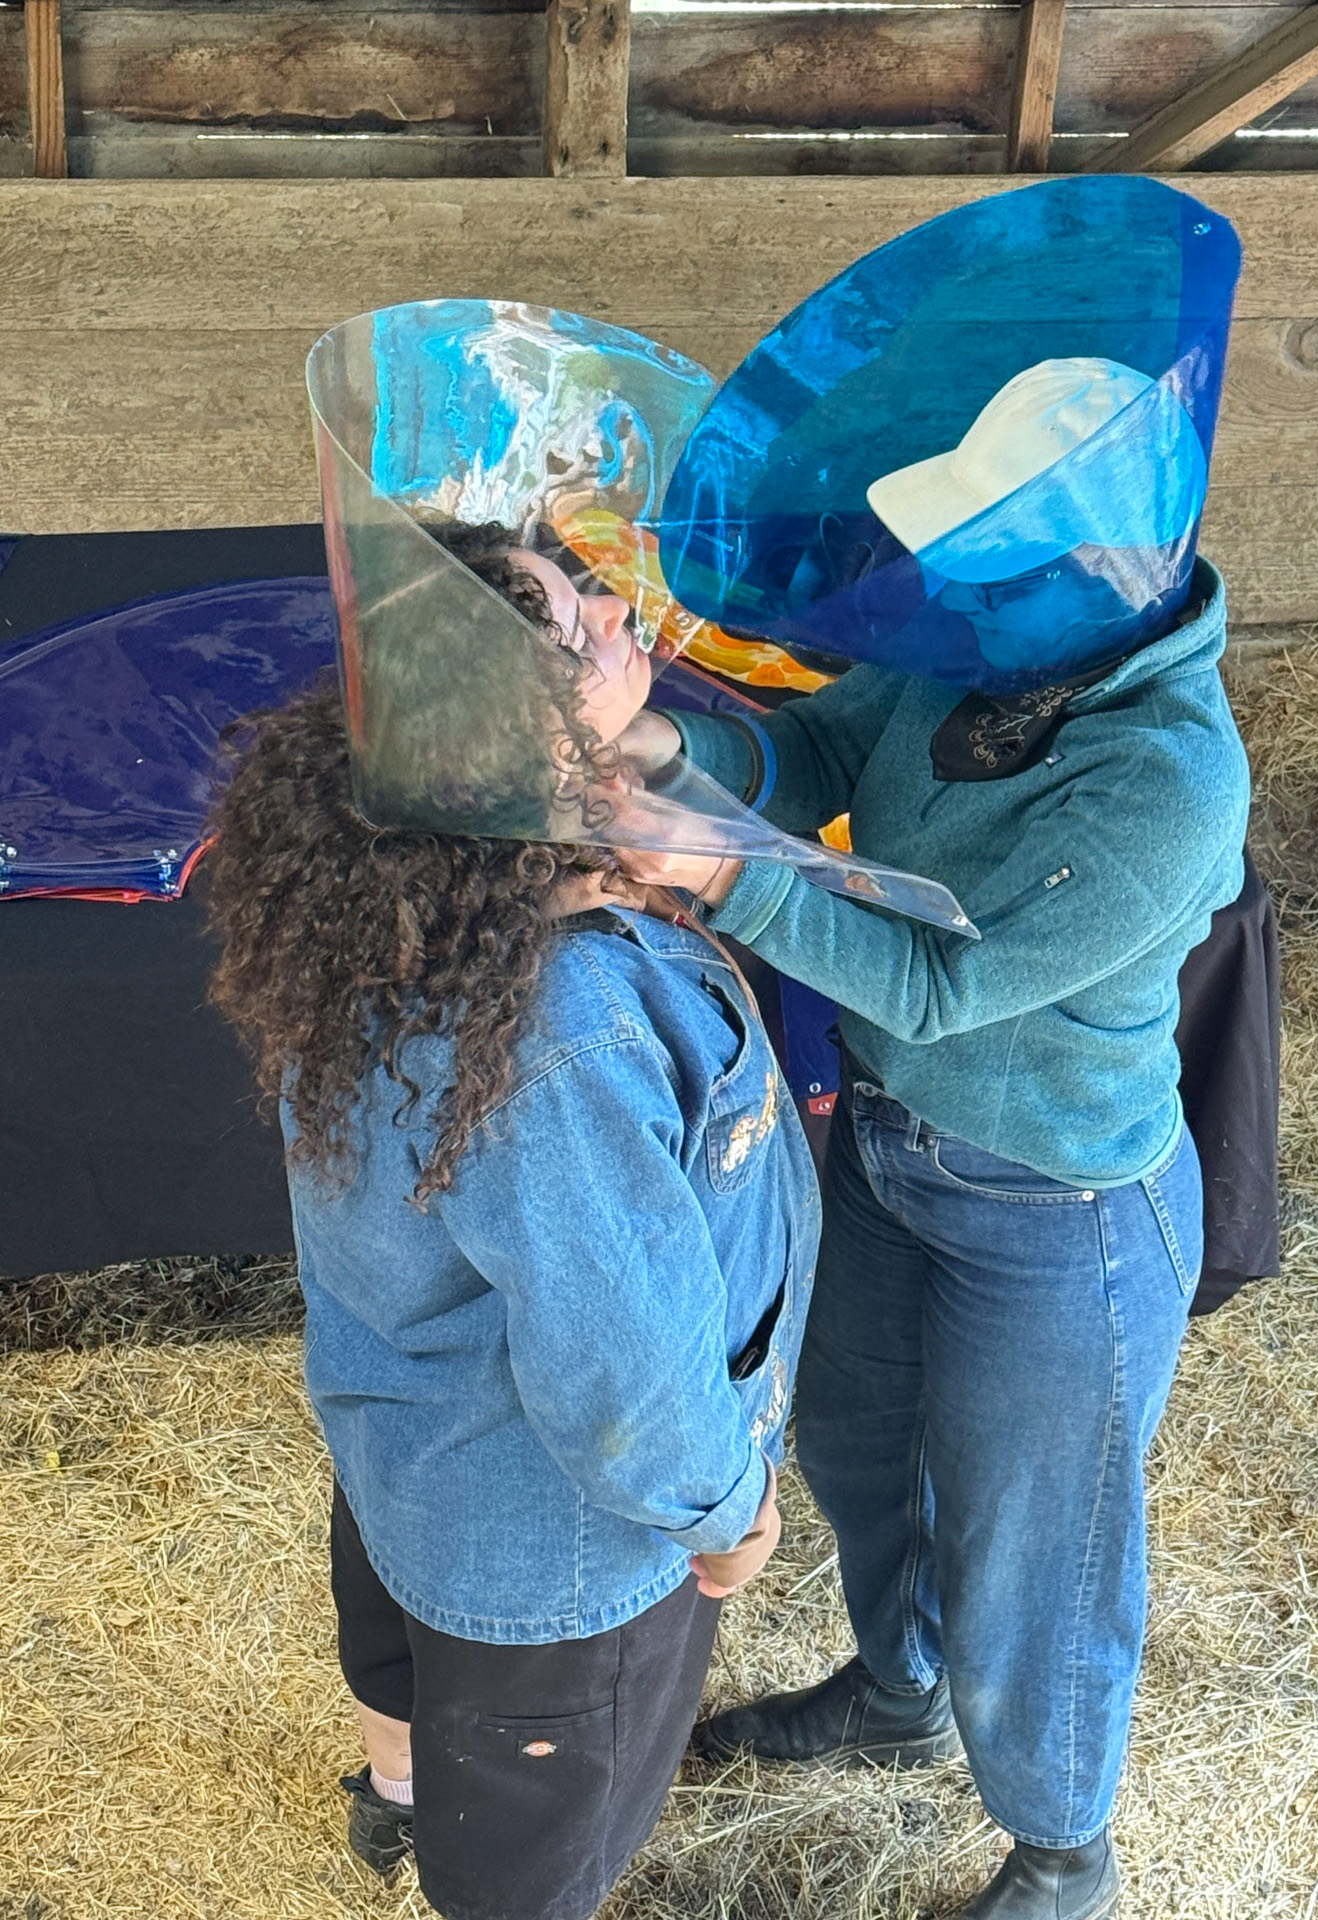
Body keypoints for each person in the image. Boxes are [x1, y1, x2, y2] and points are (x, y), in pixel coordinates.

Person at [617, 313, 1252, 1917]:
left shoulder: (1166, 779)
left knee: (1035, 1545)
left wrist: (721, 872)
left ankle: (1061, 1846)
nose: (954, 583)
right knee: (849, 1440)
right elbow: (825, 736)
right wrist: (673, 748)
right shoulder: (999, 638)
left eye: (995, 552)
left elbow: (941, 984)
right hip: (896, 1156)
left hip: (1058, 1204)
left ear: (1113, 561)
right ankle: (896, 1690)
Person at [204, 523, 820, 1920]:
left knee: (414, 1663)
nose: (610, 614)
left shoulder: (405, 903)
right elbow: (625, 1361)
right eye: (563, 617)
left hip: (413, 1455)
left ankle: (400, 1795)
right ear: (518, 732)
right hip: (558, 1552)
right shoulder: (560, 1033)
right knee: (531, 1866)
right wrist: (722, 1515)